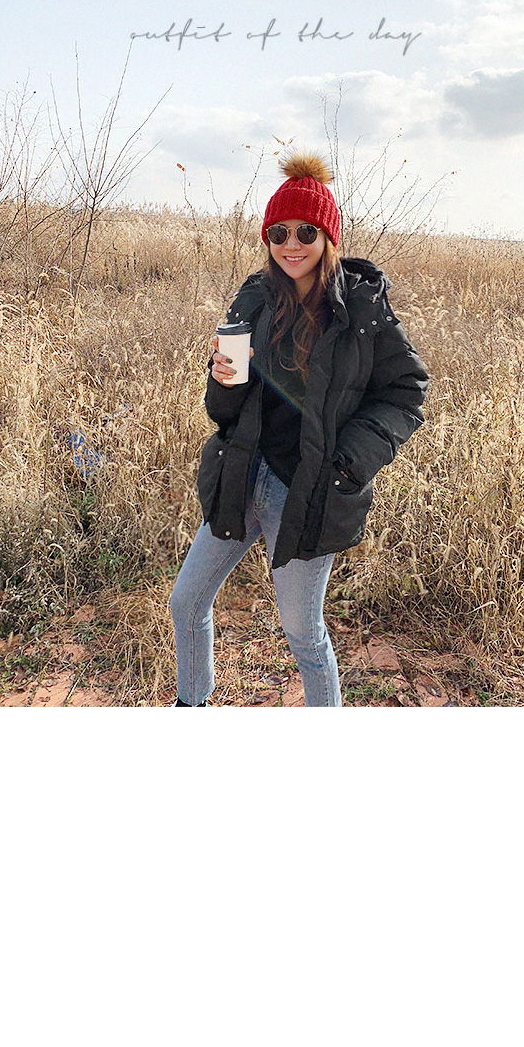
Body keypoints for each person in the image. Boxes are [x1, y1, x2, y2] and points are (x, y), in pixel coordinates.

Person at [170, 149, 428, 707]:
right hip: (243, 473)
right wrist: (222, 379)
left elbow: (407, 390)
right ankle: (191, 706)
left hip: (309, 490)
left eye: (306, 231)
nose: (291, 244)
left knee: (303, 635)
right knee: (186, 601)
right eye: (279, 232)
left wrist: (349, 463)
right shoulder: (256, 295)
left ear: (328, 236)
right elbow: (223, 410)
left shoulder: (362, 307)